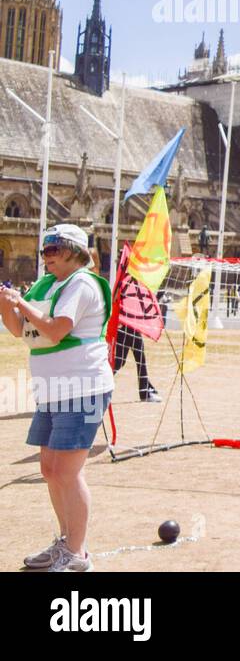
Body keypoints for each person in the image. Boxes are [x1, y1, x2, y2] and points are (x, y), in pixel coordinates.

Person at [1, 224, 114, 572]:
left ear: (74, 251)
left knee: (67, 471)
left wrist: (20, 302)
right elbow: (21, 330)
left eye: (54, 248)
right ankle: (65, 542)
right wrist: (7, 305)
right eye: (44, 249)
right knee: (50, 470)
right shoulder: (48, 285)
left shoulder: (82, 282)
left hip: (82, 387)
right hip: (52, 389)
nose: (46, 255)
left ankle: (77, 554)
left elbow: (56, 328)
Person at [112, 323, 161, 402]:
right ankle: (101, 381)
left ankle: (145, 392)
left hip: (132, 327)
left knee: (139, 358)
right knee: (120, 362)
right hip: (125, 328)